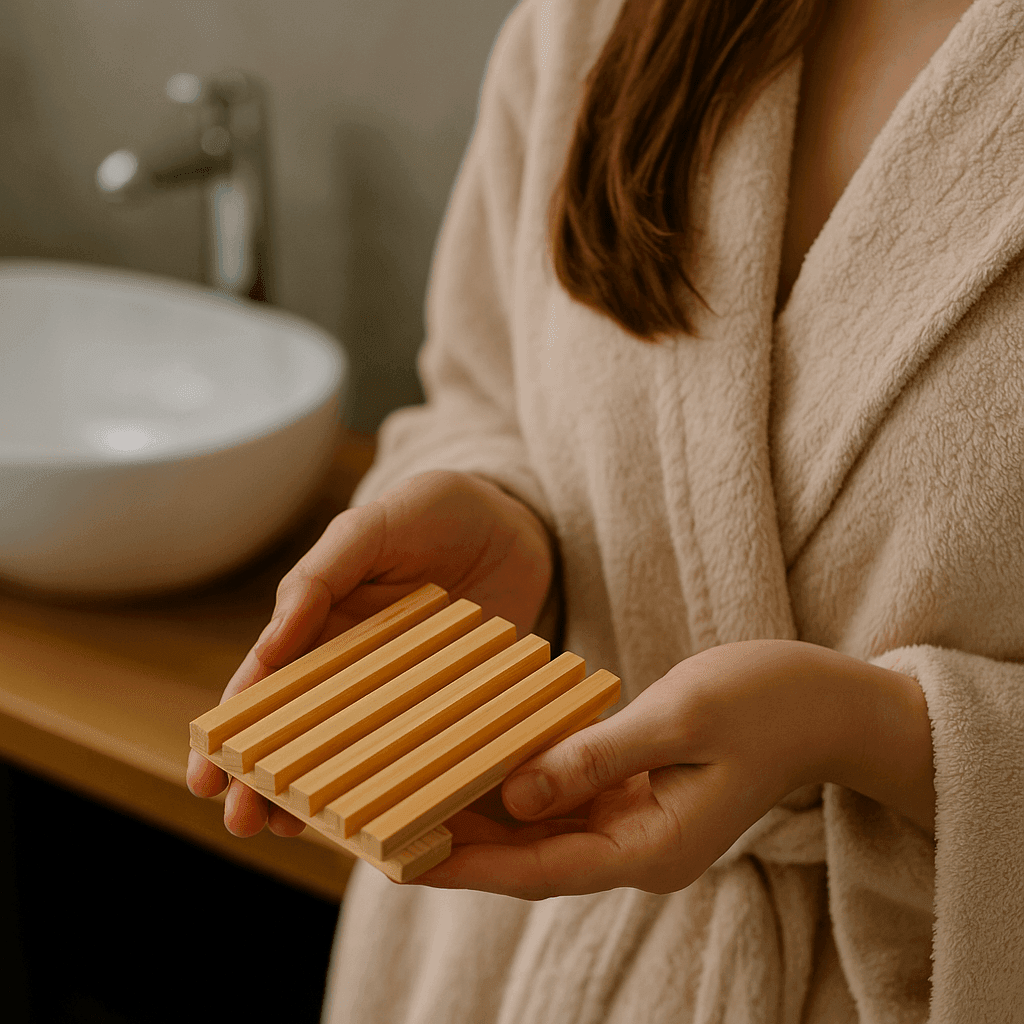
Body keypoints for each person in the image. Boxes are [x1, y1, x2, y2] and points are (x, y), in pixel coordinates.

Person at [188, 0, 1024, 1019]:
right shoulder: (594, 16)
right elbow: (483, 380)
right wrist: (511, 517)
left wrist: (876, 733)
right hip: (492, 946)